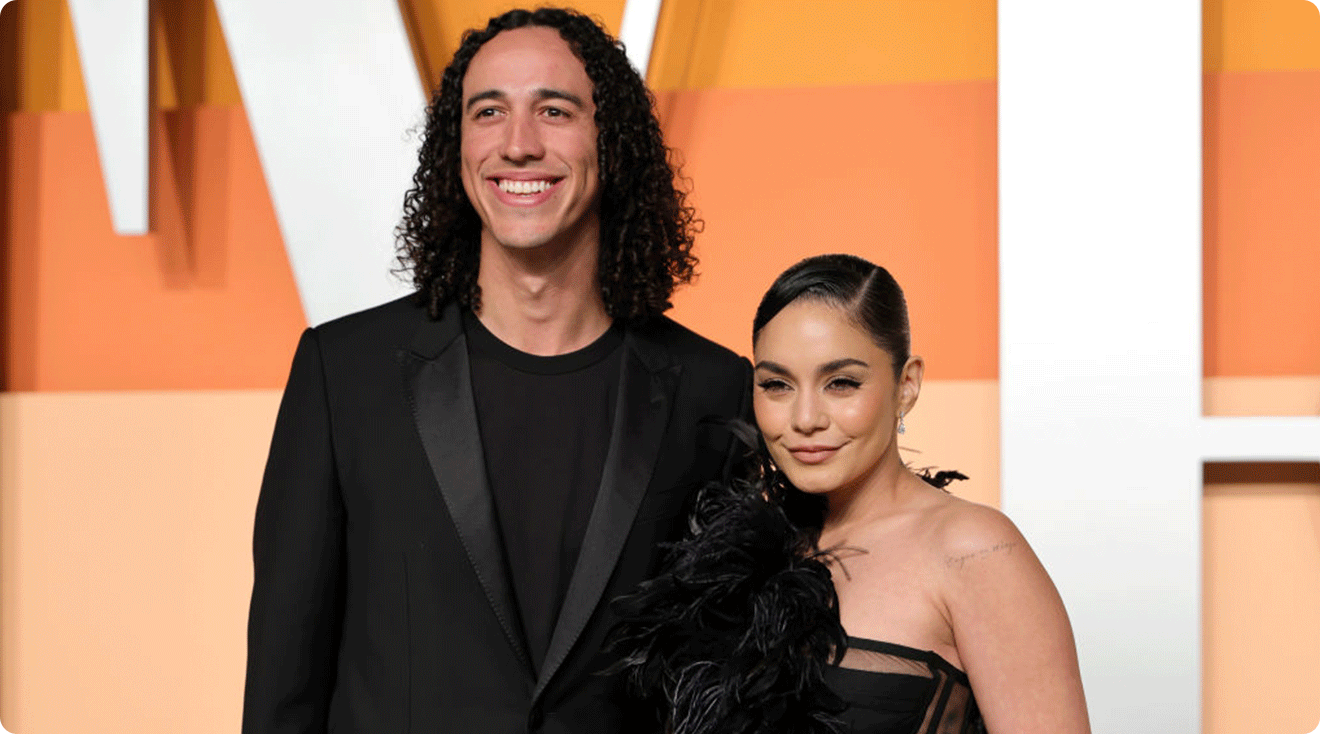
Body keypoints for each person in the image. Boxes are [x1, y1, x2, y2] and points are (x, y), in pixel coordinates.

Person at [241, 8, 750, 733]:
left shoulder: (711, 389)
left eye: (554, 109)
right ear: (458, 148)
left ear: (613, 143)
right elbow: (283, 682)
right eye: (489, 112)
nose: (518, 144)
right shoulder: (343, 374)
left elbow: (724, 680)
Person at [612, 254, 1090, 734]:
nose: (805, 419)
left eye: (841, 383)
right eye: (776, 384)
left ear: (906, 385)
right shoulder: (739, 552)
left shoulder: (975, 550)